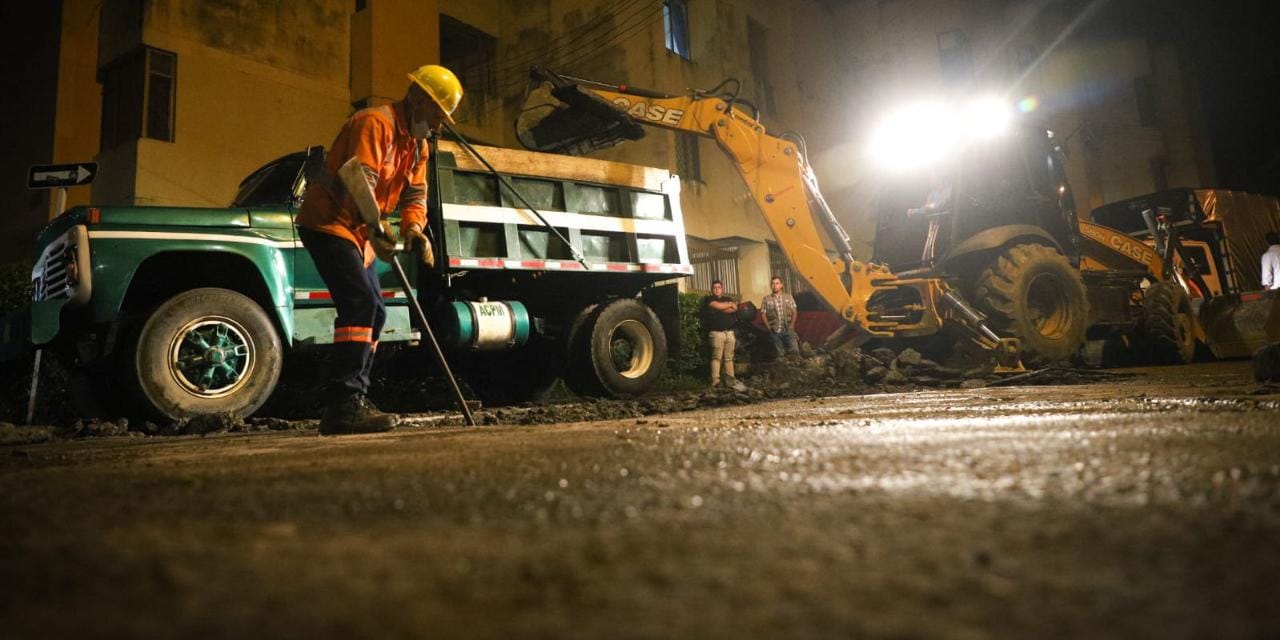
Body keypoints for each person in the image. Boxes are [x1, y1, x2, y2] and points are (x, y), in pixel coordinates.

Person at [296, 64, 463, 435]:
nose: (438, 126)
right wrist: (377, 227)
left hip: (360, 232)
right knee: (361, 304)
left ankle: (352, 398)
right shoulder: (375, 123)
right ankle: (343, 406)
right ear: (419, 99)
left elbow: (416, 195)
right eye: (438, 115)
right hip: (329, 221)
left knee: (376, 312)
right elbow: (360, 181)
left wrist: (414, 230)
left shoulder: (417, 146)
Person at [700, 280, 746, 391]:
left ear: (722, 289)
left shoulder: (727, 298)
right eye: (715, 287)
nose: (717, 289)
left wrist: (722, 307)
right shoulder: (709, 299)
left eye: (719, 287)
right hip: (716, 333)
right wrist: (727, 305)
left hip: (729, 332)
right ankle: (715, 381)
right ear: (712, 289)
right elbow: (718, 306)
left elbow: (734, 309)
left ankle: (730, 380)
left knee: (729, 358)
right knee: (716, 358)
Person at [761, 275, 800, 358]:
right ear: (771, 285)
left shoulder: (788, 297)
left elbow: (794, 311)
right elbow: (763, 314)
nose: (775, 286)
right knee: (780, 354)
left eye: (777, 283)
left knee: (795, 351)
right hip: (775, 331)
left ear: (781, 285)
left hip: (788, 329)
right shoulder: (766, 299)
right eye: (773, 283)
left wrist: (792, 325)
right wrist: (769, 328)